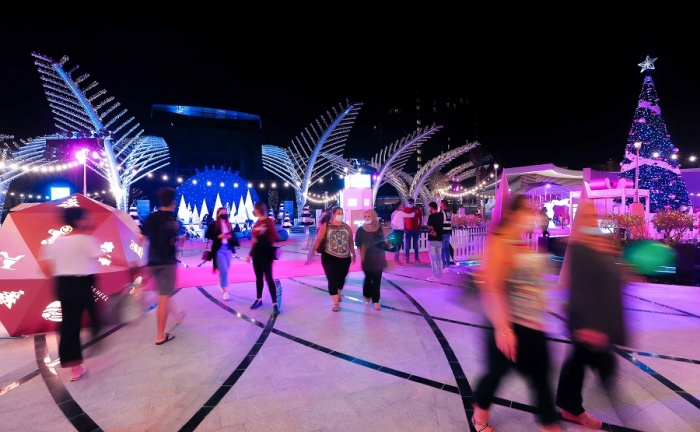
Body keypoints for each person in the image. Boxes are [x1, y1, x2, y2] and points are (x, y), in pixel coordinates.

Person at [471, 194, 561, 432]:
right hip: (509, 324)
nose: (534, 215)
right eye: (529, 211)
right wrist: (503, 329)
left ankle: (549, 425)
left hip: (533, 324)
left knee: (541, 380)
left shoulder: (521, 242)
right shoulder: (500, 242)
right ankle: (479, 415)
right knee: (495, 375)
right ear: (513, 214)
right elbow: (492, 287)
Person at [555, 199, 628, 429]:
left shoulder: (597, 243)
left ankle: (569, 406)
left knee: (579, 362)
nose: (593, 218)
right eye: (587, 215)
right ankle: (573, 407)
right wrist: (587, 326)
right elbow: (579, 289)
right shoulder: (581, 249)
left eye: (593, 214)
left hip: (599, 323)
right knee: (601, 368)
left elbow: (606, 278)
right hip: (591, 325)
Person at [38, 207, 101, 381]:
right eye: (86, 218)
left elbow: (45, 266)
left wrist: (59, 276)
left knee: (69, 326)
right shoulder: (87, 240)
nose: (89, 220)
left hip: (63, 284)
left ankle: (75, 367)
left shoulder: (56, 242)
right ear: (79, 220)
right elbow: (97, 256)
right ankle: (96, 335)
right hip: (83, 283)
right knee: (94, 316)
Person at [141, 187, 181, 346]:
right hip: (167, 263)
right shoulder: (172, 218)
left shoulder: (152, 217)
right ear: (172, 202)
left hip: (152, 262)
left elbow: (142, 238)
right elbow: (174, 238)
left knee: (164, 294)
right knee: (164, 297)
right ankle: (160, 336)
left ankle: (177, 317)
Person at [310, 206, 356, 312]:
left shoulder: (347, 227)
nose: (340, 215)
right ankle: (335, 303)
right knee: (332, 279)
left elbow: (350, 241)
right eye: (338, 213)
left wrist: (353, 254)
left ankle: (338, 292)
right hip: (329, 257)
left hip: (344, 258)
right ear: (333, 214)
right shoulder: (326, 226)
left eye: (342, 213)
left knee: (341, 278)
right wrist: (312, 251)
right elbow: (318, 239)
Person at [246, 202, 280, 316]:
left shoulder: (268, 221)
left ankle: (275, 304)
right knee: (259, 278)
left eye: (254, 209)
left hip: (266, 254)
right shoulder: (257, 222)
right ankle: (259, 299)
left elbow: (274, 237)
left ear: (258, 209)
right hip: (257, 254)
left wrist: (261, 237)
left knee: (269, 278)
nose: (253, 211)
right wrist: (250, 254)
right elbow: (254, 240)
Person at [354, 209, 390, 310]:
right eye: (365, 217)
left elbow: (384, 243)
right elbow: (358, 244)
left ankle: (376, 300)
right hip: (367, 258)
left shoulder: (379, 229)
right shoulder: (360, 230)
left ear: (374, 217)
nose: (366, 218)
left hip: (378, 258)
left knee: (377, 279)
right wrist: (360, 256)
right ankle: (367, 294)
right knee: (368, 278)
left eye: (369, 216)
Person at [205, 206, 240, 301]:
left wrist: (230, 236)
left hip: (228, 249)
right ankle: (225, 291)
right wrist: (218, 236)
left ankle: (220, 282)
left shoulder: (229, 224)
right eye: (222, 213)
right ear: (218, 214)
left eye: (225, 213)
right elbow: (207, 234)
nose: (224, 215)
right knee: (224, 270)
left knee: (226, 268)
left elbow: (232, 234)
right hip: (219, 249)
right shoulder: (214, 224)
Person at [390, 201, 413, 266]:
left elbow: (399, 223)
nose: (402, 207)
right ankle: (396, 261)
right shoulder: (397, 213)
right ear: (399, 206)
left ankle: (397, 260)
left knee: (398, 246)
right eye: (401, 206)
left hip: (398, 231)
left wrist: (403, 229)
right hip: (397, 231)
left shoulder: (396, 213)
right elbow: (394, 224)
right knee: (397, 246)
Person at [426, 201, 444, 281]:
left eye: (429, 208)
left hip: (432, 240)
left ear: (431, 208)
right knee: (439, 258)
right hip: (440, 239)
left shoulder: (431, 216)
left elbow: (430, 226)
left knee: (433, 259)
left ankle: (435, 276)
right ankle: (440, 274)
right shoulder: (441, 215)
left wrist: (433, 232)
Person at [403, 198, 423, 264]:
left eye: (411, 203)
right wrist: (404, 228)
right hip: (407, 230)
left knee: (416, 245)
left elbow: (420, 218)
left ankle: (416, 258)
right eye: (409, 203)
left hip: (416, 230)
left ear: (413, 203)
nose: (410, 204)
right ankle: (407, 259)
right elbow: (403, 219)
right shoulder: (405, 209)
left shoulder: (418, 209)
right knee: (407, 245)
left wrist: (419, 227)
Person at [440, 199, 453, 268]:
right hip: (448, 231)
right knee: (447, 248)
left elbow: (441, 222)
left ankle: (443, 264)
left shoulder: (442, 212)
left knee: (442, 249)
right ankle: (447, 264)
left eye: (440, 203)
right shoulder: (449, 212)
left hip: (443, 231)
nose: (440, 204)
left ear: (443, 204)